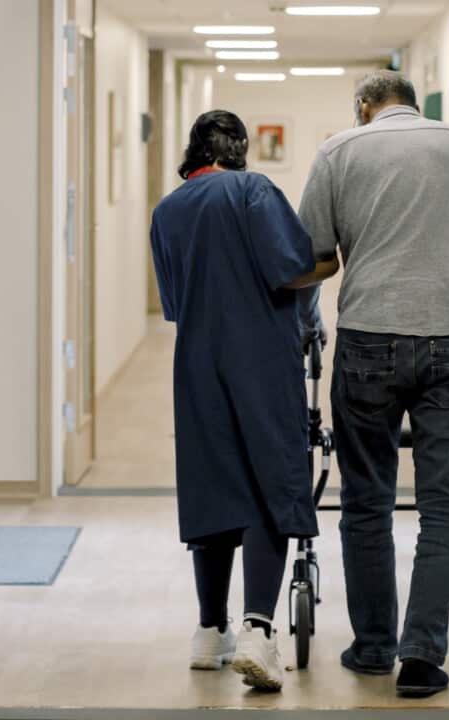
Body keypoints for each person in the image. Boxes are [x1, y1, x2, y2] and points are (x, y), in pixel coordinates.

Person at [297, 70, 449, 697]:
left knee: (366, 499)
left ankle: (372, 648)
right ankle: (422, 657)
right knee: (445, 501)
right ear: (415, 106)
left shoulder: (340, 151)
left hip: (369, 337)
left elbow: (311, 254)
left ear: (365, 107)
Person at [149, 110, 339, 692]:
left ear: (194, 152)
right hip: (259, 359)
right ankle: (259, 627)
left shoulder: (168, 210)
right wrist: (333, 258)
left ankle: (210, 631)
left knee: (212, 481)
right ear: (240, 151)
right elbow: (290, 271)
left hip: (197, 362)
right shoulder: (252, 189)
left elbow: (175, 303)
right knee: (267, 481)